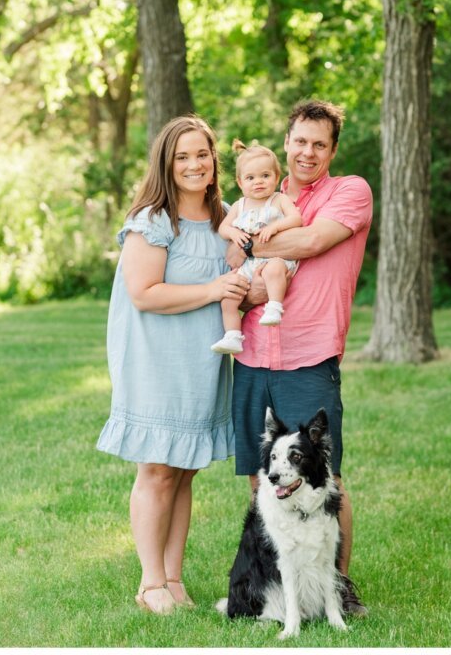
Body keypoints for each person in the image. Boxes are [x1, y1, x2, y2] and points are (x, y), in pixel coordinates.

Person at [97, 115, 251, 616]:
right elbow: (144, 294)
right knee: (158, 470)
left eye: (201, 154)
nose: (193, 164)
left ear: (214, 161)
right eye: (181, 156)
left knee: (184, 470)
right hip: (156, 360)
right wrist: (212, 289)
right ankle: (149, 584)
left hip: (201, 363)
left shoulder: (227, 215)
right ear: (166, 163)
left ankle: (173, 579)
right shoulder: (154, 219)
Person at [226, 99, 372, 616]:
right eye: (300, 141)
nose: (307, 152)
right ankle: (280, 593)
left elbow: (311, 241)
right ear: (286, 142)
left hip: (309, 354)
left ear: (332, 150)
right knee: (264, 478)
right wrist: (255, 270)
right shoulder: (259, 192)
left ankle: (337, 590)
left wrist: (254, 253)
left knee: (323, 479)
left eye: (319, 143)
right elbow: (233, 271)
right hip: (252, 355)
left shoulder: (349, 192)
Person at [211, 140, 302, 354]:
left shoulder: (279, 200)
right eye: (250, 178)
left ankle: (274, 306)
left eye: (265, 176)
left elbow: (296, 219)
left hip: (275, 259)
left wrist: (277, 226)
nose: (258, 182)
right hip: (249, 264)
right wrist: (234, 232)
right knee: (229, 295)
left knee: (273, 271)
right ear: (240, 182)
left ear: (276, 177)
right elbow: (224, 228)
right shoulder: (238, 206)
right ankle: (233, 335)